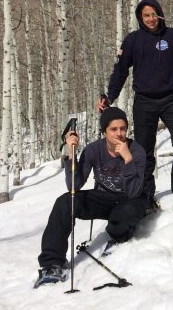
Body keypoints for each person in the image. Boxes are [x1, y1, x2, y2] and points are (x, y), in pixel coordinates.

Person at [98, 0, 173, 214]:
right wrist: (110, 97)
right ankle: (146, 197)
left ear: (160, 14)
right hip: (144, 102)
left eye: (154, 14)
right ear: (140, 17)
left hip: (170, 99)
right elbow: (120, 71)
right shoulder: (133, 40)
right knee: (143, 151)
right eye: (146, 15)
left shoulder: (172, 37)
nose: (151, 19)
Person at [35, 107, 147, 287]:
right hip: (103, 198)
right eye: (114, 129)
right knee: (65, 201)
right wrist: (72, 155)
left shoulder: (137, 151)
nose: (119, 134)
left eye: (123, 128)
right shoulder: (94, 150)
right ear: (104, 131)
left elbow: (134, 191)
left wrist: (128, 159)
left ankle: (117, 236)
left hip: (130, 199)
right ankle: (52, 264)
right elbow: (74, 185)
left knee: (128, 209)